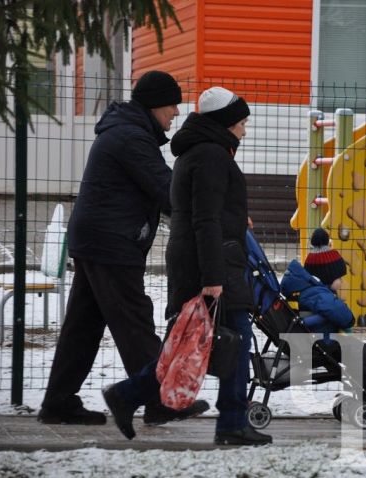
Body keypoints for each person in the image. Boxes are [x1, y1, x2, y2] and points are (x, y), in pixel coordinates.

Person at [102, 86, 272, 446]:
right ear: (225, 123)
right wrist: (213, 278)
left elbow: (208, 212)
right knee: (236, 341)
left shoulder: (198, 153)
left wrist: (238, 219)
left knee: (188, 346)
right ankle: (231, 424)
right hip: (213, 265)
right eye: (241, 122)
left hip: (203, 259)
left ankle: (128, 395)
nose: (244, 129)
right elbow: (205, 220)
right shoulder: (211, 156)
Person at [38, 71, 208, 426]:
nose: (176, 112)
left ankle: (58, 402)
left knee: (83, 326)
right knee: (135, 323)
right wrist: (209, 212)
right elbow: (166, 189)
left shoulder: (127, 131)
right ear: (156, 104)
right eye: (173, 104)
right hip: (111, 242)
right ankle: (162, 400)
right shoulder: (131, 137)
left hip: (98, 239)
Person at [280, 228, 366, 415]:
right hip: (320, 342)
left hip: (313, 340)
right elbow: (345, 317)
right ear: (327, 277)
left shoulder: (309, 291)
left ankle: (363, 394)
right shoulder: (319, 295)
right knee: (362, 351)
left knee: (351, 354)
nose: (341, 282)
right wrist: (341, 309)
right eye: (339, 278)